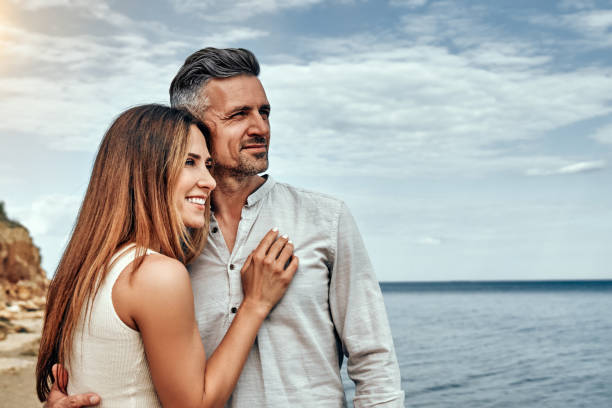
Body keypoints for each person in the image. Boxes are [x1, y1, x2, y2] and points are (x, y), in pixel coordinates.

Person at [47, 48, 404, 407]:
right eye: (238, 115)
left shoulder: (327, 218)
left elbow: (374, 363)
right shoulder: (162, 250)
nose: (260, 127)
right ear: (192, 126)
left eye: (264, 112)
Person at [36, 104, 298, 407]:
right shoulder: (155, 274)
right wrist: (255, 303)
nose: (209, 181)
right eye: (189, 162)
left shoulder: (86, 272)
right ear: (143, 169)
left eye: (208, 165)